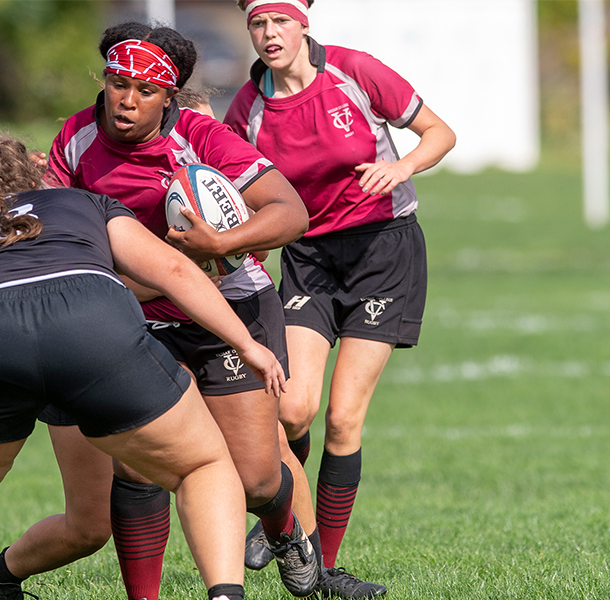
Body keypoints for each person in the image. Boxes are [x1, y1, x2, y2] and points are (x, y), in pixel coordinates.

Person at [0, 22, 321, 600]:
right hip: (136, 313)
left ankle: (284, 533)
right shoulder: (77, 138)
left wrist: (221, 244)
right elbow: (55, 219)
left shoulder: (203, 138)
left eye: (145, 90)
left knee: (256, 479)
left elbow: (290, 211)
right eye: (116, 82)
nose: (126, 99)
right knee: (138, 469)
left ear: (170, 96)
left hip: (226, 306)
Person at [0, 130, 292, 600]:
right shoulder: (86, 203)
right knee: (202, 465)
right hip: (91, 327)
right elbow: (174, 271)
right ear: (38, 174)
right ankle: (225, 594)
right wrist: (246, 343)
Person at [224, 1, 457, 598]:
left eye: (279, 20)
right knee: (292, 409)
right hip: (310, 259)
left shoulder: (355, 72)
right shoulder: (247, 108)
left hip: (384, 251)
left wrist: (399, 166)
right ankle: (284, 520)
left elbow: (440, 133)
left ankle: (319, 571)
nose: (269, 34)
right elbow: (232, 186)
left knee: (342, 418)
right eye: (258, 23)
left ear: (303, 22)